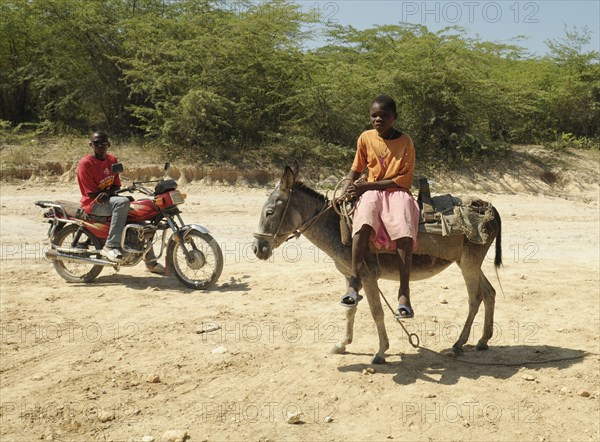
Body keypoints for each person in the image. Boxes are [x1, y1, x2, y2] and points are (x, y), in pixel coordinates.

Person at [341, 95, 420, 318]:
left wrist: (367, 185)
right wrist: (348, 185)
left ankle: (404, 293)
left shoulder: (405, 142)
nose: (378, 119)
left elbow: (404, 178)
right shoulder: (365, 138)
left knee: (404, 228)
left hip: (396, 190)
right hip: (372, 190)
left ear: (394, 117)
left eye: (384, 115)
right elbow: (356, 167)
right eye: (374, 115)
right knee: (363, 221)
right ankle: (354, 281)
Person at [77, 131, 165, 274]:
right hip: (92, 204)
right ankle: (110, 246)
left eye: (103, 142)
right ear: (90, 145)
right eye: (96, 143)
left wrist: (111, 193)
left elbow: (117, 185)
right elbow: (92, 194)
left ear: (109, 144)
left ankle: (151, 263)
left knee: (141, 223)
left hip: (109, 201)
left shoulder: (112, 160)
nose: (100, 145)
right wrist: (111, 195)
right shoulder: (85, 164)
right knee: (122, 202)